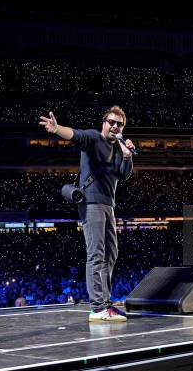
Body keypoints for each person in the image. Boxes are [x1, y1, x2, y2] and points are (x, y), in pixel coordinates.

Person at [40, 106, 134, 322]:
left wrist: (128, 156)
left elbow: (124, 175)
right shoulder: (93, 138)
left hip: (108, 205)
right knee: (96, 254)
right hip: (91, 204)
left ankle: (105, 301)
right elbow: (75, 135)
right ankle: (98, 307)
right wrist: (56, 129)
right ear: (104, 123)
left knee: (111, 254)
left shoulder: (120, 148)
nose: (114, 126)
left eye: (119, 124)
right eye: (111, 122)